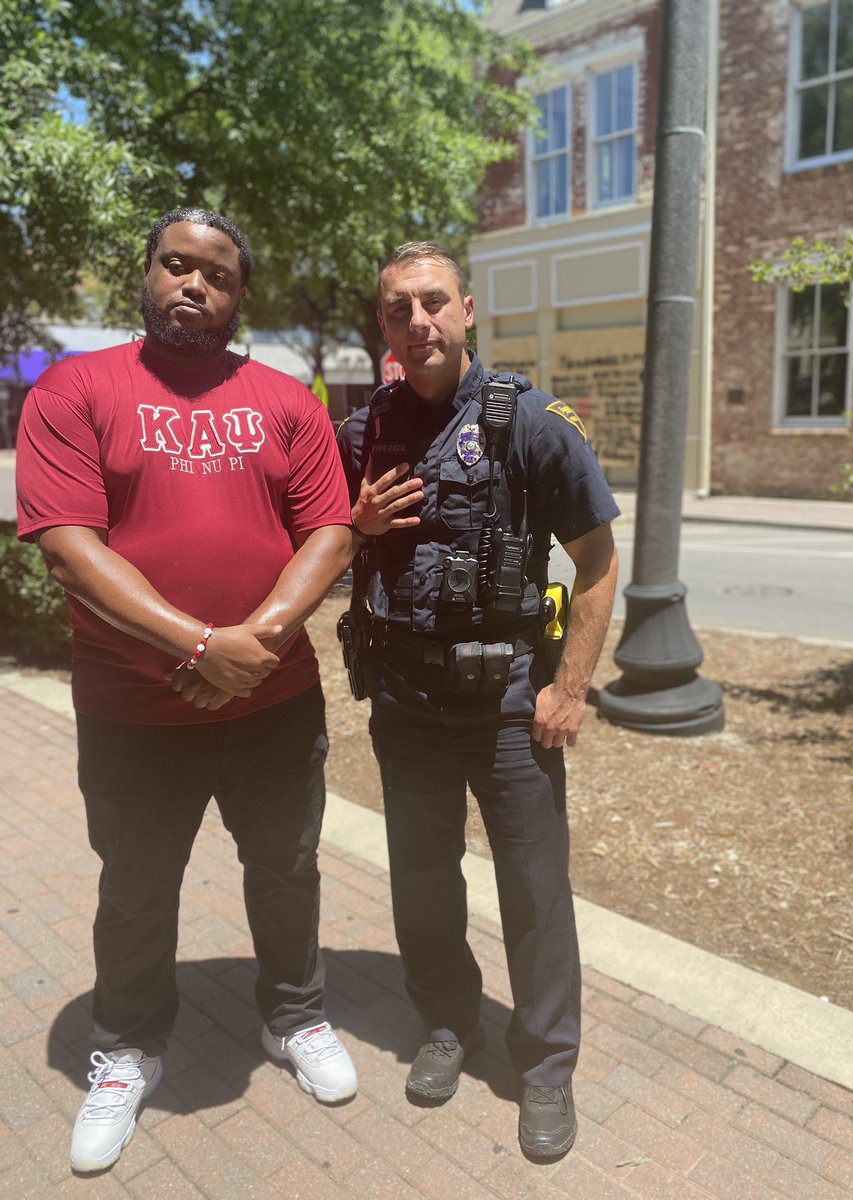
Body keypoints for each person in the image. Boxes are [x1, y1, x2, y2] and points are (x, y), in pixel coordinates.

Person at [16, 207, 358, 1174]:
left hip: (275, 704)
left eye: (215, 274)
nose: (192, 285)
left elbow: (329, 529)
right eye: (176, 266)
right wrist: (200, 643)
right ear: (149, 274)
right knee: (134, 890)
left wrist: (261, 641)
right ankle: (125, 1048)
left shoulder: (288, 399)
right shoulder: (77, 389)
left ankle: (294, 1018)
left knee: (287, 870)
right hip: (133, 711)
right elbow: (70, 550)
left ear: (239, 296)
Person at [336, 242, 619, 1158]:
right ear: (382, 325)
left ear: (465, 310)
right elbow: (319, 548)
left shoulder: (529, 421)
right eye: (395, 309)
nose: (415, 322)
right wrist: (355, 528)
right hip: (406, 703)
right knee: (422, 881)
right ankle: (449, 1022)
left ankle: (543, 1068)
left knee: (533, 893)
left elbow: (600, 562)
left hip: (507, 704)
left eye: (431, 303)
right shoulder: (361, 432)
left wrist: (569, 690)